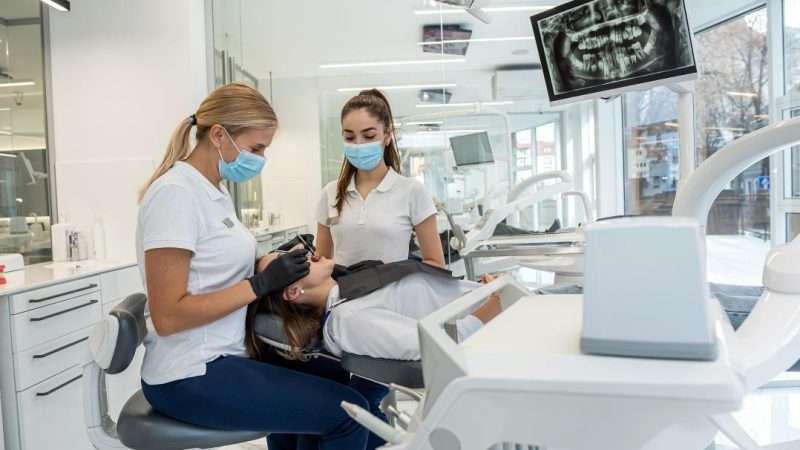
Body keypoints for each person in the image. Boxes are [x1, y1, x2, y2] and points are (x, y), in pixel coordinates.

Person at [136, 82, 369, 450]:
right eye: (256, 148)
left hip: (228, 351)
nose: (260, 158)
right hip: (191, 371)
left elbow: (213, 269)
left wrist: (271, 260)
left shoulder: (214, 189)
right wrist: (260, 284)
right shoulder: (175, 194)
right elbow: (168, 316)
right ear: (218, 135)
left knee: (344, 379)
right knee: (350, 414)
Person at [246, 254, 503, 362]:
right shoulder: (347, 319)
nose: (300, 250)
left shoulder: (351, 292)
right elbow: (435, 345)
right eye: (286, 260)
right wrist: (497, 301)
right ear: (293, 292)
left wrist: (484, 290)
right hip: (501, 332)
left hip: (502, 309)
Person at [315, 89, 445, 268]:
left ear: (387, 136)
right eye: (350, 137)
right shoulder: (331, 192)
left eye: (369, 136)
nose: (359, 145)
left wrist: (394, 277)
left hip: (393, 294)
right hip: (344, 294)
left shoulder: (411, 191)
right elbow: (321, 264)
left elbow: (436, 264)